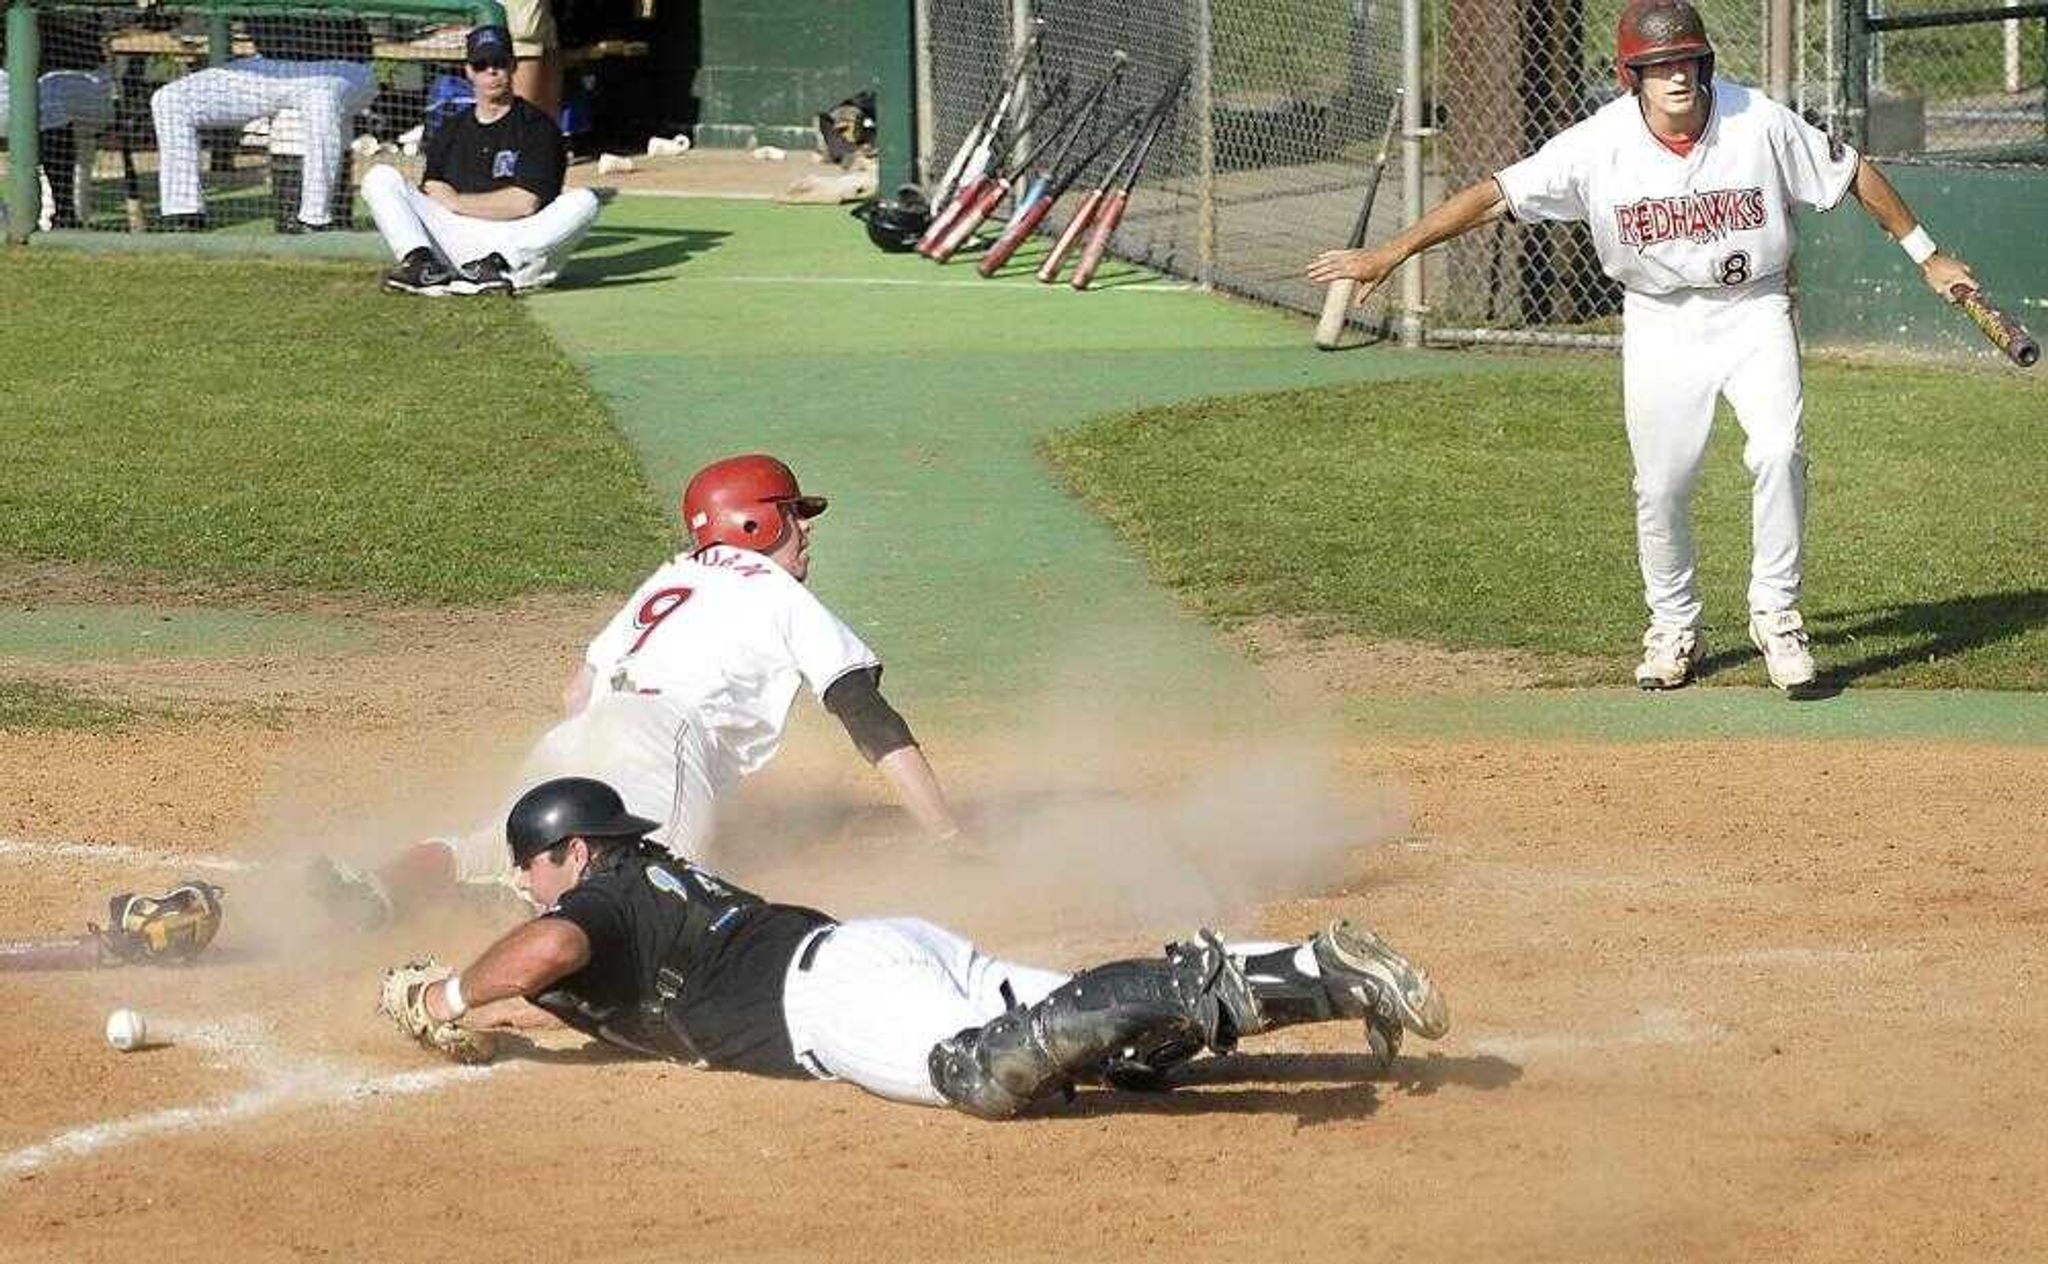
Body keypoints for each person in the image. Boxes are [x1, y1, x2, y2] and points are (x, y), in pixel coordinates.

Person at [1307, 0, 1977, 694]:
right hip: (1659, 321)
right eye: (1658, 67)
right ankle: (1674, 626)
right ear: (1634, 77)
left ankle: (1776, 613)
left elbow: (1852, 172)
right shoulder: (1599, 144)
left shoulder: (1758, 120)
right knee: (1662, 486)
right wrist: (1391, 251)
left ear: (1704, 63)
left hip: (1754, 308)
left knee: (1779, 450)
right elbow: (1491, 196)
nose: (1677, 77)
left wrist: (1926, 254)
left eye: (1686, 60)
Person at [376, 776, 1453, 1118]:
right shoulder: (645, 878)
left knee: (982, 1072)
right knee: (1108, 1045)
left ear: (565, 851)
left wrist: (443, 1001)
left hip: (838, 1007)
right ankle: (1313, 968)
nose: (523, 886)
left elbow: (548, 947)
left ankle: (1219, 976)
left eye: (529, 867)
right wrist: (509, 1014)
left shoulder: (595, 900)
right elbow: (585, 979)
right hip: (882, 949)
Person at [314, 453, 971, 928]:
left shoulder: (670, 578)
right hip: (665, 737)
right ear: (754, 524)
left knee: (491, 844)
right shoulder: (778, 593)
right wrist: (947, 836)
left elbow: (577, 694)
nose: (807, 528)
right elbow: (870, 720)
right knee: (658, 896)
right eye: (794, 513)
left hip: (573, 739)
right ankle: (515, 918)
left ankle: (378, 883)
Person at [361, 24, 596, 296]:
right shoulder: (450, 128)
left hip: (514, 247)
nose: (491, 71)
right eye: (482, 64)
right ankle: (421, 265)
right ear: (469, 70)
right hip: (453, 238)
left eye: (499, 63)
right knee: (380, 177)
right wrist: (461, 205)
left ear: (513, 66)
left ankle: (492, 270)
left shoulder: (539, 128)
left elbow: (524, 204)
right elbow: (433, 193)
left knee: (584, 201)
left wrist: (458, 202)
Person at [148, 15, 375, 233]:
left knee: (320, 100)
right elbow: (165, 21)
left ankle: (315, 219)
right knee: (171, 100)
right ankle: (184, 213)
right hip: (268, 66)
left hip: (343, 67)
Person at [0, 11, 115, 230]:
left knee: (48, 94)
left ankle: (64, 213)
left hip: (84, 79)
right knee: (43, 93)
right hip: (14, 81)